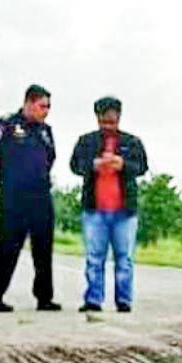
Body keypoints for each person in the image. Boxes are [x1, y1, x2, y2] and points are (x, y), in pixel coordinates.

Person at [0, 85, 62, 313]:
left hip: (41, 196)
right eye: (42, 106)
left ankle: (44, 297)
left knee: (43, 249)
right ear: (28, 102)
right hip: (14, 197)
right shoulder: (7, 124)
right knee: (8, 246)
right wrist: (3, 183)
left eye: (48, 107)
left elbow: (50, 159)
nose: (46, 111)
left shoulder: (46, 131)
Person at [70, 97, 148, 313]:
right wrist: (93, 165)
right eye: (104, 122)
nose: (108, 126)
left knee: (125, 258)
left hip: (125, 210)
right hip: (95, 209)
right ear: (97, 118)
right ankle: (93, 299)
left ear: (119, 118)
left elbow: (142, 167)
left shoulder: (132, 142)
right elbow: (74, 165)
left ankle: (124, 300)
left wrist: (122, 164)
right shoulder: (86, 142)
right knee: (94, 257)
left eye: (112, 122)